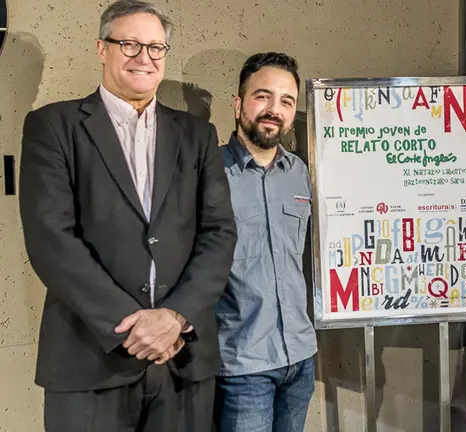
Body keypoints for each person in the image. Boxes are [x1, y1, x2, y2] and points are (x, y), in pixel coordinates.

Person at [18, 0, 237, 430]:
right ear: (102, 48)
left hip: (183, 357)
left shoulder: (197, 135)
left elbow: (219, 233)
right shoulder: (52, 126)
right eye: (130, 44)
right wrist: (134, 328)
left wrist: (174, 317)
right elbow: (51, 238)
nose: (145, 58)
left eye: (156, 48)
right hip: (89, 359)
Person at [214, 52, 316, 432]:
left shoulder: (300, 173)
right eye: (263, 96)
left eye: (286, 101)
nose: (275, 109)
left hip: (301, 357)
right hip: (243, 365)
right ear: (239, 104)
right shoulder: (209, 172)